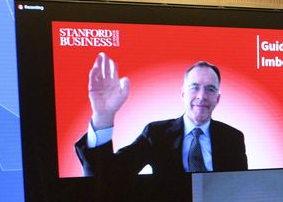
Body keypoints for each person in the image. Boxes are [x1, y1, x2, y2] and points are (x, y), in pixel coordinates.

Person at [75, 52, 248, 177]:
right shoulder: (156, 134)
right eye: (194, 87)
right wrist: (103, 116)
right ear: (182, 94)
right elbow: (108, 175)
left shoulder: (233, 138)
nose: (202, 96)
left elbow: (241, 188)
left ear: (217, 99)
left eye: (210, 89)